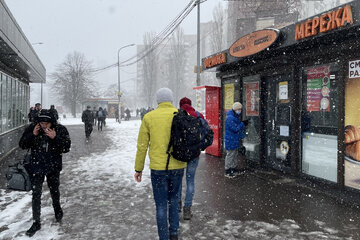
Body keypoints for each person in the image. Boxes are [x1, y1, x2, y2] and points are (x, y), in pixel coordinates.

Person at [134, 88, 186, 240]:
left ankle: (163, 236)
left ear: (158, 101)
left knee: (161, 205)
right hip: (177, 166)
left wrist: (139, 168)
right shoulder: (182, 115)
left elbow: (142, 146)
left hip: (158, 169)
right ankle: (174, 233)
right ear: (171, 100)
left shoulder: (149, 117)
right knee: (174, 200)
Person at [19, 109, 71, 237]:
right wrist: (33, 135)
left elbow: (66, 147)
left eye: (47, 123)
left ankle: (57, 209)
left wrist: (55, 138)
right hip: (36, 167)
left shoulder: (60, 129)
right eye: (42, 123)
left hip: (53, 167)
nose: (44, 125)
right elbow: (22, 145)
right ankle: (36, 222)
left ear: (52, 122)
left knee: (54, 190)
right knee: (36, 194)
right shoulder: (33, 128)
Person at [177, 97, 204, 220]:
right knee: (190, 181)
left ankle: (177, 204)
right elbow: (207, 132)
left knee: (178, 180)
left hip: (180, 154)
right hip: (194, 154)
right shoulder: (198, 115)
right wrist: (200, 146)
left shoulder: (177, 115)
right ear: (191, 104)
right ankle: (187, 209)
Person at [224, 102, 246, 178]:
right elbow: (235, 129)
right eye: (239, 109)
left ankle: (233, 169)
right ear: (235, 109)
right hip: (231, 140)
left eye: (240, 109)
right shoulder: (230, 118)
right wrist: (242, 124)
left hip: (234, 139)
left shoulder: (234, 117)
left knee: (234, 155)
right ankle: (228, 170)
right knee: (230, 155)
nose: (240, 110)